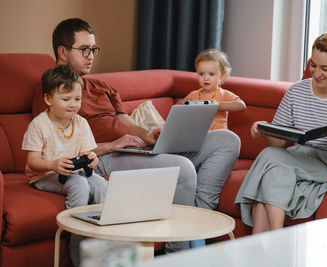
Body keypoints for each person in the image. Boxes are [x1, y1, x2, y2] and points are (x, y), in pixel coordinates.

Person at [32, 18, 241, 252]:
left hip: (137, 149)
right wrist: (111, 145)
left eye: (94, 49)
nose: (91, 55)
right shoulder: (54, 95)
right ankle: (178, 252)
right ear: (62, 51)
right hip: (106, 158)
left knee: (227, 141)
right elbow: (58, 146)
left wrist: (150, 135)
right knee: (182, 167)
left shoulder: (103, 86)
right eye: (84, 49)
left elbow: (126, 121)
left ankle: (199, 215)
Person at [235, 31, 327, 234]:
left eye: (325, 68)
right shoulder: (296, 91)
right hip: (302, 158)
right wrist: (265, 131)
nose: (316, 72)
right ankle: (275, 241)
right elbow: (277, 145)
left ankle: (264, 247)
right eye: (313, 64)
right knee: (273, 163)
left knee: (271, 167)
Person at [23, 64, 107, 208]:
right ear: (49, 100)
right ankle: (75, 228)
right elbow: (33, 161)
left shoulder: (81, 123)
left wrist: (92, 158)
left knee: (102, 184)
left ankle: (100, 223)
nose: (73, 104)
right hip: (45, 175)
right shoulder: (38, 125)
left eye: (77, 99)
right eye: (66, 99)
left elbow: (86, 153)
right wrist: (52, 165)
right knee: (79, 184)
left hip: (74, 172)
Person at [179, 49, 246, 130]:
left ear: (222, 75)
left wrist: (219, 105)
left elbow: (241, 106)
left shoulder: (223, 94)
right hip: (199, 136)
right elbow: (180, 107)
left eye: (211, 74)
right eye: (201, 74)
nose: (205, 78)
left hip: (219, 136)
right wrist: (181, 104)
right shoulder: (193, 95)